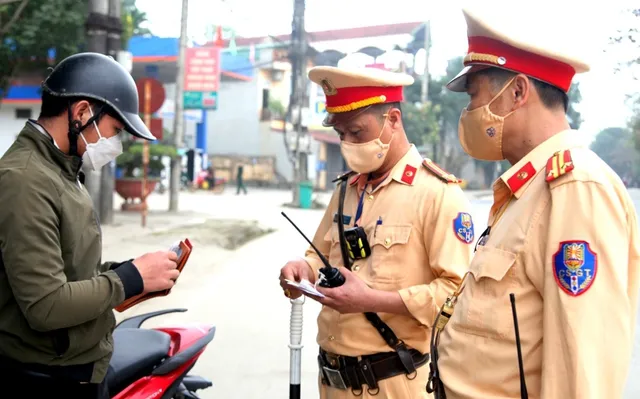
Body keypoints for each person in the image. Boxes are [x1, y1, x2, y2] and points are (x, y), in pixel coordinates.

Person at [431, 8, 640, 399]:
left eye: (475, 96)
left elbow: (582, 369)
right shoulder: (527, 188)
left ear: (517, 92)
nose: (469, 113)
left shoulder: (575, 188)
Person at [279, 66, 474, 398]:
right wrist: (303, 269)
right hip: (332, 383)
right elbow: (319, 254)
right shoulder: (346, 190)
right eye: (341, 134)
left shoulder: (438, 194)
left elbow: (457, 294)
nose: (348, 144)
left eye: (356, 131)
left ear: (393, 120)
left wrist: (372, 301)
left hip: (394, 383)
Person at [0, 52, 181, 398]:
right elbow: (46, 305)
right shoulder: (24, 181)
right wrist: (128, 279)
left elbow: (71, 270)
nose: (116, 144)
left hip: (77, 368)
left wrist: (133, 273)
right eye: (114, 130)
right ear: (82, 112)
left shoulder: (60, 171)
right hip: (44, 377)